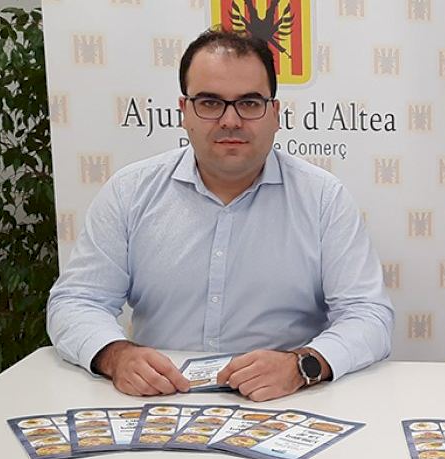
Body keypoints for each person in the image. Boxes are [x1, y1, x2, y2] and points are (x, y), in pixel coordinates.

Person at [47, 29, 393, 401]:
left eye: (249, 103)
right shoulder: (129, 192)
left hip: (284, 402)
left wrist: (302, 365)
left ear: (275, 113)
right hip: (157, 401)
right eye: (210, 103)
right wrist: (115, 356)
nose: (230, 120)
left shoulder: (323, 198)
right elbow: (76, 301)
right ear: (184, 111)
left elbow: (368, 315)